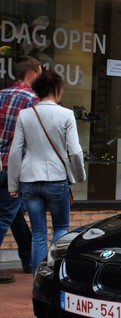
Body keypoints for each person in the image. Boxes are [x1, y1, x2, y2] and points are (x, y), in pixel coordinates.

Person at [8, 71, 86, 273]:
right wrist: (80, 176)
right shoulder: (66, 114)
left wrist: (13, 184)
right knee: (61, 228)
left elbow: (15, 152)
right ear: (57, 90)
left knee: (39, 234)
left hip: (29, 180)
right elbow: (75, 152)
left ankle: (38, 279)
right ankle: (56, 277)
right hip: (56, 178)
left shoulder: (25, 115)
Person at [0, 56, 41, 282]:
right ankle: (28, 259)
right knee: (6, 214)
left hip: (0, 164)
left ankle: (27, 258)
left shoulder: (1, 95)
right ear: (32, 74)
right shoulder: (32, 99)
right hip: (15, 167)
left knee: (15, 212)